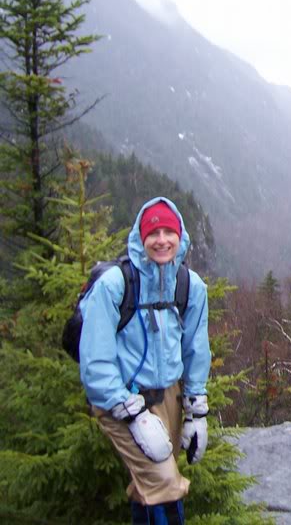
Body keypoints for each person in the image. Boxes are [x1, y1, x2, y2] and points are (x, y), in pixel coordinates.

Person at [79, 197, 210, 525]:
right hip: (119, 397)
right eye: (154, 232)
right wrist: (133, 414)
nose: (162, 239)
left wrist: (196, 410)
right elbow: (96, 363)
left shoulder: (190, 286)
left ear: (180, 237)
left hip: (170, 395)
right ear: (141, 238)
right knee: (164, 482)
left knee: (151, 482)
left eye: (169, 231)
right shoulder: (115, 285)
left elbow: (196, 349)